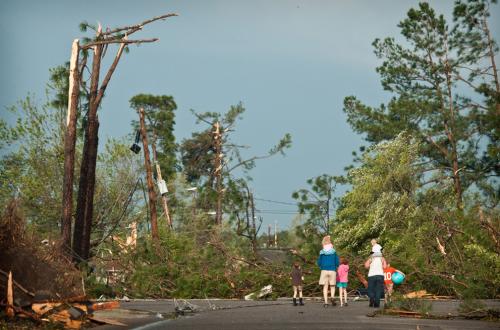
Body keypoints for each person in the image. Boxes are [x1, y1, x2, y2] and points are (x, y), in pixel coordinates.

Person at [317, 235, 340, 308]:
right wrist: (336, 266)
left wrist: (321, 266)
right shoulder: (333, 251)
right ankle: (332, 297)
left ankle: (326, 303)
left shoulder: (322, 252)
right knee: (332, 286)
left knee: (325, 287)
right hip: (332, 270)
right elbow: (337, 261)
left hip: (324, 270)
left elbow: (319, 262)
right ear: (330, 243)